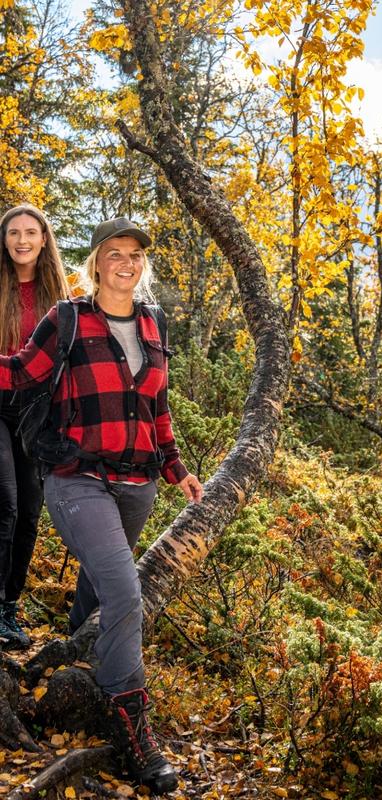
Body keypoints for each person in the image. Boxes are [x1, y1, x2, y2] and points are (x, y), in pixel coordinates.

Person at [0, 217, 203, 793]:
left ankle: (75, 668)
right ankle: (135, 730)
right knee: (123, 590)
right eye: (114, 253)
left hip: (138, 483)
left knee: (98, 589)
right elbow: (18, 374)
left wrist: (177, 468)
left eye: (135, 254)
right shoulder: (66, 319)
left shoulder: (153, 322)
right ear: (95, 262)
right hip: (76, 477)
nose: (126, 262)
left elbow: (156, 409)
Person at [0, 204, 69, 649]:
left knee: (29, 512)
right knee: (4, 502)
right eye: (13, 234)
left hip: (36, 412)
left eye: (31, 232)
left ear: (44, 239)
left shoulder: (60, 295)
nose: (22, 240)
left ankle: (9, 607)